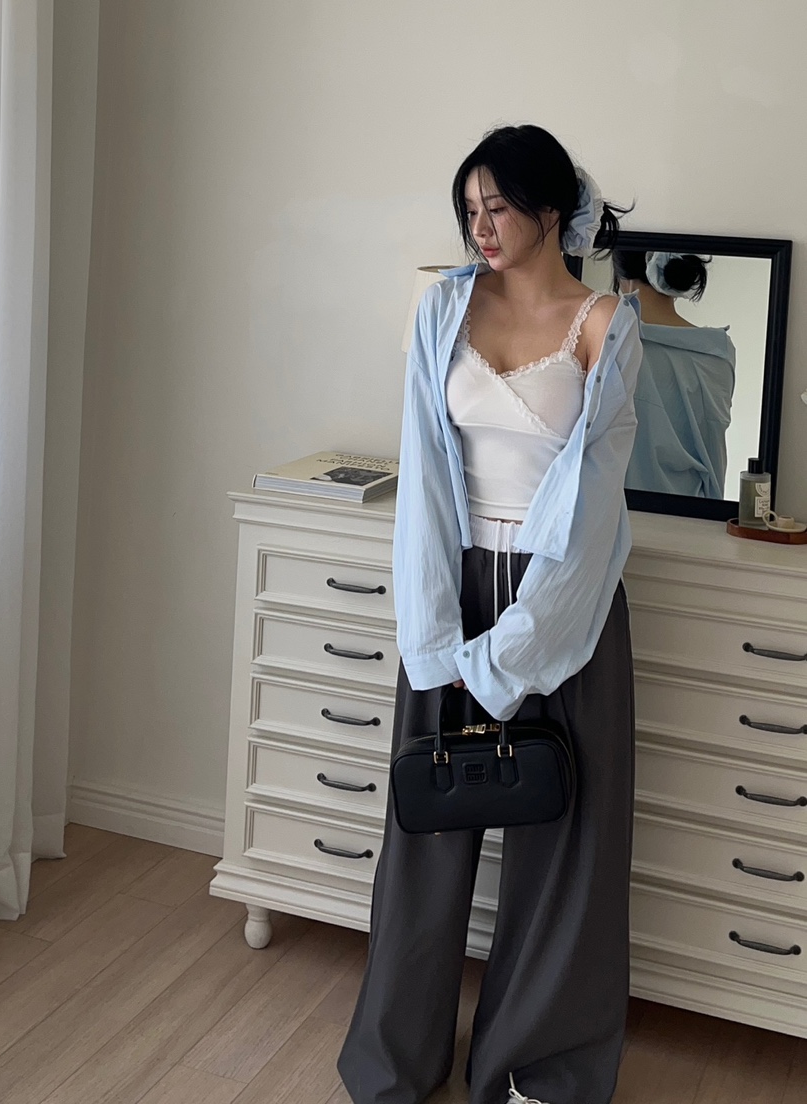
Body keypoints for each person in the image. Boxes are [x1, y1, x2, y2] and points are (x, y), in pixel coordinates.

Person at [337, 124, 643, 1104]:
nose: (480, 227)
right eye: (469, 209)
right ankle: (397, 1058)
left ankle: (537, 1068)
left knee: (565, 844)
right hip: (453, 588)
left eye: (498, 207)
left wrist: (520, 644)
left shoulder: (606, 324)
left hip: (565, 602)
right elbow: (426, 474)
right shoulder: (442, 309)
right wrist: (437, 635)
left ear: (551, 209)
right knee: (427, 831)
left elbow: (594, 508)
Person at [613, 250, 736, 498]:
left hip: (615, 511)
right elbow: (714, 455)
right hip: (689, 511)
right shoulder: (717, 353)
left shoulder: (609, 342)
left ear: (620, 273)